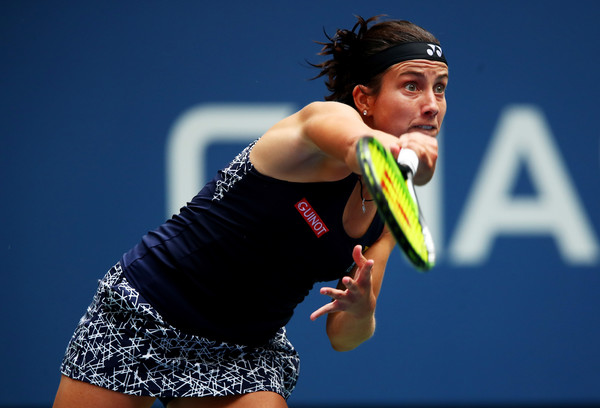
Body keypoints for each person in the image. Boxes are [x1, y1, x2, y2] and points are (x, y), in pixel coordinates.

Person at [53, 15, 448, 408]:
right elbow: (358, 148)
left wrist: (362, 308)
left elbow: (343, 337)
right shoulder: (324, 121)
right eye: (411, 86)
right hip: (145, 312)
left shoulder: (393, 211)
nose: (432, 105)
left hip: (243, 348)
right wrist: (405, 150)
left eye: (440, 88)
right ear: (363, 98)